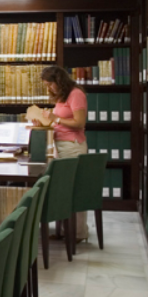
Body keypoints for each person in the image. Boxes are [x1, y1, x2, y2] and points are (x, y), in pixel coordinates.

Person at [38, 66, 88, 242]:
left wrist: (55, 119)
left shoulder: (76, 94)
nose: (49, 89)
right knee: (61, 190)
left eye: (50, 85)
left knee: (73, 190)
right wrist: (45, 121)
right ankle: (62, 230)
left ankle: (78, 233)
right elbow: (60, 122)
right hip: (60, 145)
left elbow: (79, 122)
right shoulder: (62, 97)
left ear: (59, 81)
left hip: (72, 146)